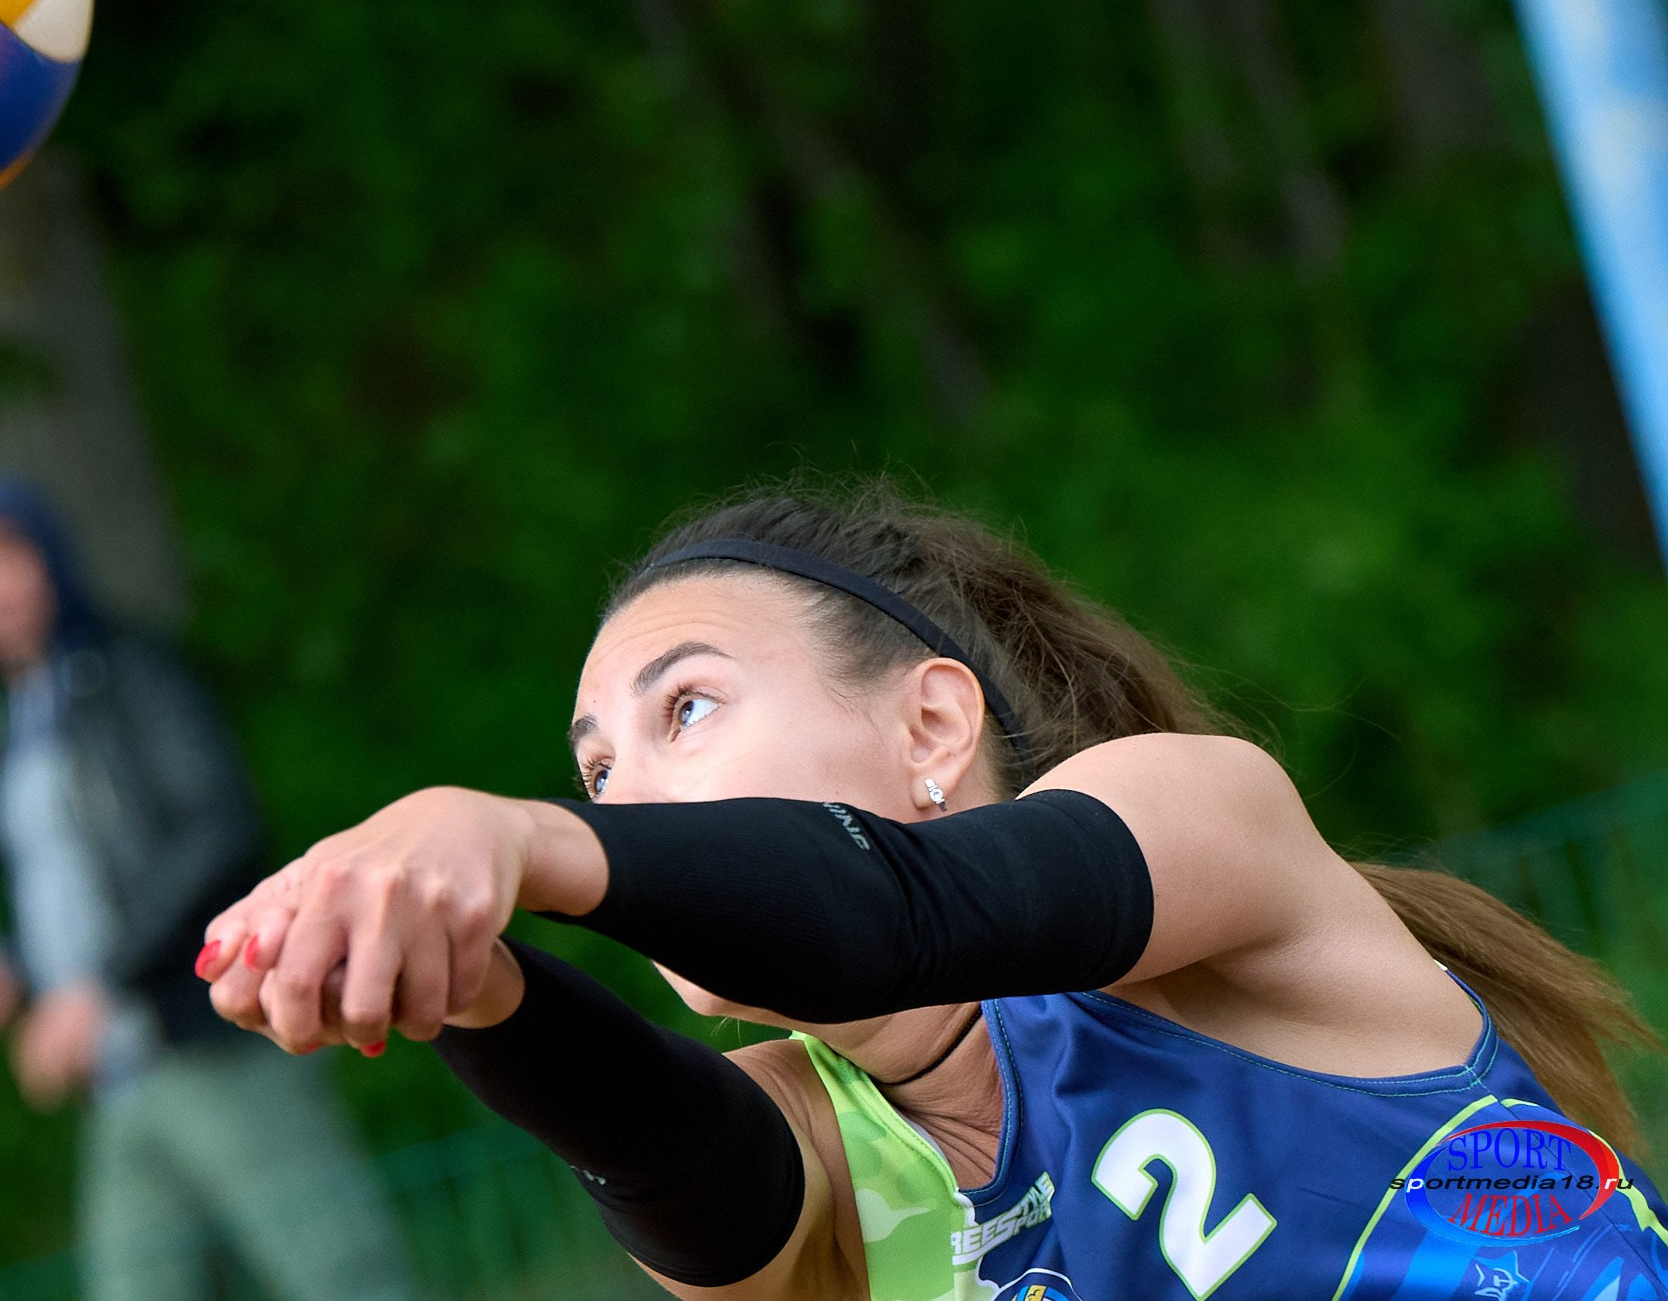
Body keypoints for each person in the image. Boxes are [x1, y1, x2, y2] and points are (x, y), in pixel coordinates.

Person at [197, 479, 1668, 1300]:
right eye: (593, 772)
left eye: (685, 708)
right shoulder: (836, 1159)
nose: (625, 791)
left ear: (931, 728)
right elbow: (670, 1153)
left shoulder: (1198, 821)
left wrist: (518, 838)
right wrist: (456, 975)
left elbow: (883, 913)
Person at [0, 473, 413, 1301]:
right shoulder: (7, 738)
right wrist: (9, 962)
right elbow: (64, 892)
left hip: (209, 1031)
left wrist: (95, 986)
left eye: (2, 559)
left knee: (342, 1275)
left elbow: (218, 829)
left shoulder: (137, 676)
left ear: (48, 558)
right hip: (118, 1079)